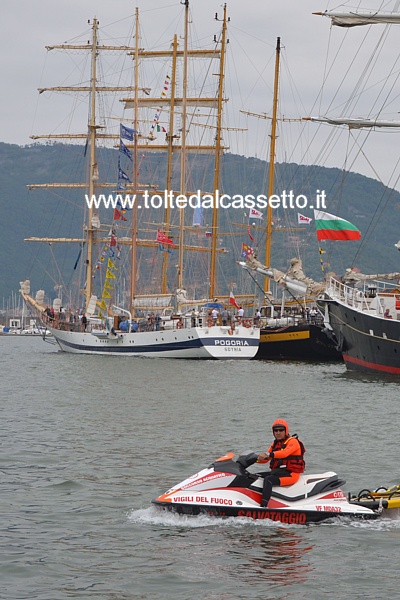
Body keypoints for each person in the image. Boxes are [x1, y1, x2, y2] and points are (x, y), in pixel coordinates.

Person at [257, 419, 305, 508]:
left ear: (286, 431)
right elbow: (266, 459)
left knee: (269, 479)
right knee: (255, 476)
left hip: (291, 475)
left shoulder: (293, 442)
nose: (278, 432)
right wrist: (255, 459)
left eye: (281, 430)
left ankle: (263, 506)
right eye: (276, 430)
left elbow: (284, 453)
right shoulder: (275, 444)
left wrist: (268, 454)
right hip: (279, 472)